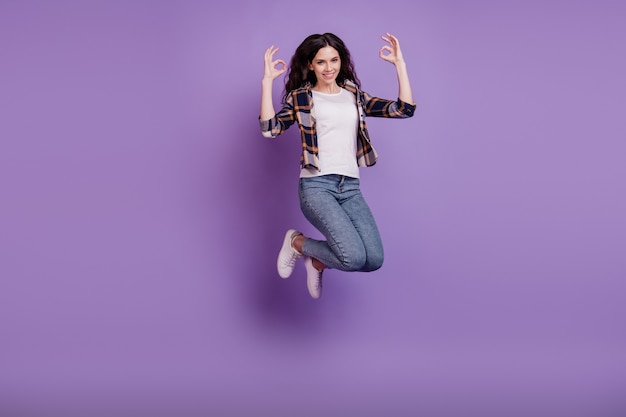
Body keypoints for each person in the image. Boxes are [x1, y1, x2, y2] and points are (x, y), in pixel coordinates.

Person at [259, 32, 415, 299]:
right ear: (310, 65)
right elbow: (270, 130)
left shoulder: (352, 94)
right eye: (321, 62)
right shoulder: (301, 98)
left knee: (374, 259)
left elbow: (403, 109)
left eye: (334, 60)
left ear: (341, 61)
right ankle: (297, 243)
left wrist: (400, 65)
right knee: (352, 257)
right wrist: (266, 83)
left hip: (350, 187)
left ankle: (317, 261)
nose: (329, 67)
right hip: (316, 187)